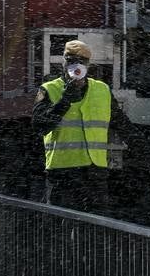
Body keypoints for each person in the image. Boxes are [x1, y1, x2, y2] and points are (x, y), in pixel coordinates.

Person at [32, 39, 132, 214]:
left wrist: (143, 149)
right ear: (64, 61)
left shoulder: (102, 90)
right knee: (60, 227)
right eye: (71, 61)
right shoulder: (49, 89)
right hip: (63, 172)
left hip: (94, 173)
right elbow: (39, 126)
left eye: (81, 62)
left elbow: (121, 123)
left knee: (95, 230)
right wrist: (64, 101)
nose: (76, 66)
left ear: (88, 65)